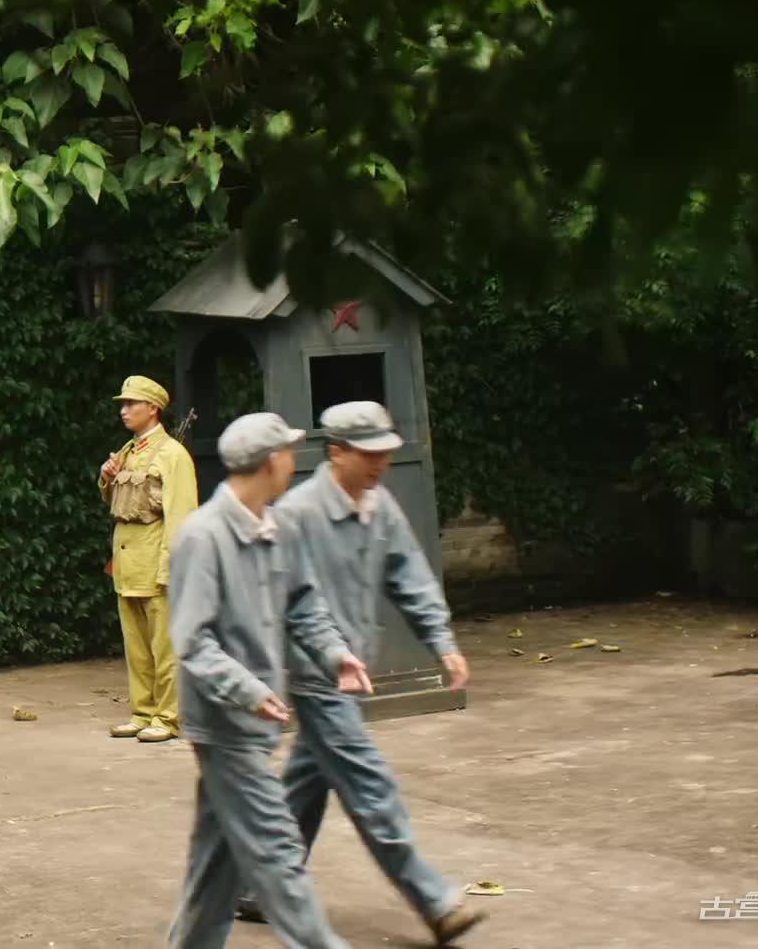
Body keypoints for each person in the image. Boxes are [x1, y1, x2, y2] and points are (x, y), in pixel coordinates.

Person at [234, 401, 484, 944]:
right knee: (370, 784)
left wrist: (442, 642)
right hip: (315, 673)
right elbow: (281, 602)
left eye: (385, 452)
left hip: (353, 670)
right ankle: (433, 901)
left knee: (308, 779)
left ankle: (255, 885)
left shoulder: (379, 506)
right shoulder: (297, 514)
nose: (379, 463)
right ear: (336, 452)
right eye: (368, 454)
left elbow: (409, 576)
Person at [165, 412, 372, 949]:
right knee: (278, 851)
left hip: (256, 718)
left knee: (215, 864)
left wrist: (335, 654)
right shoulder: (203, 536)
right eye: (288, 452)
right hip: (223, 724)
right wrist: (248, 691)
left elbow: (302, 604)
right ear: (271, 461)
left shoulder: (276, 527)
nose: (294, 461)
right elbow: (191, 640)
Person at [98, 375, 199, 743]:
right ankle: (142, 712)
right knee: (137, 648)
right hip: (128, 564)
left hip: (156, 562)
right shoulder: (128, 451)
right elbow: (121, 503)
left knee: (164, 646)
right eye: (123, 404)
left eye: (131, 404)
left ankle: (168, 717)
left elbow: (181, 516)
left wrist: (171, 568)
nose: (124, 411)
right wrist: (107, 478)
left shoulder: (172, 455)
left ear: (152, 408)